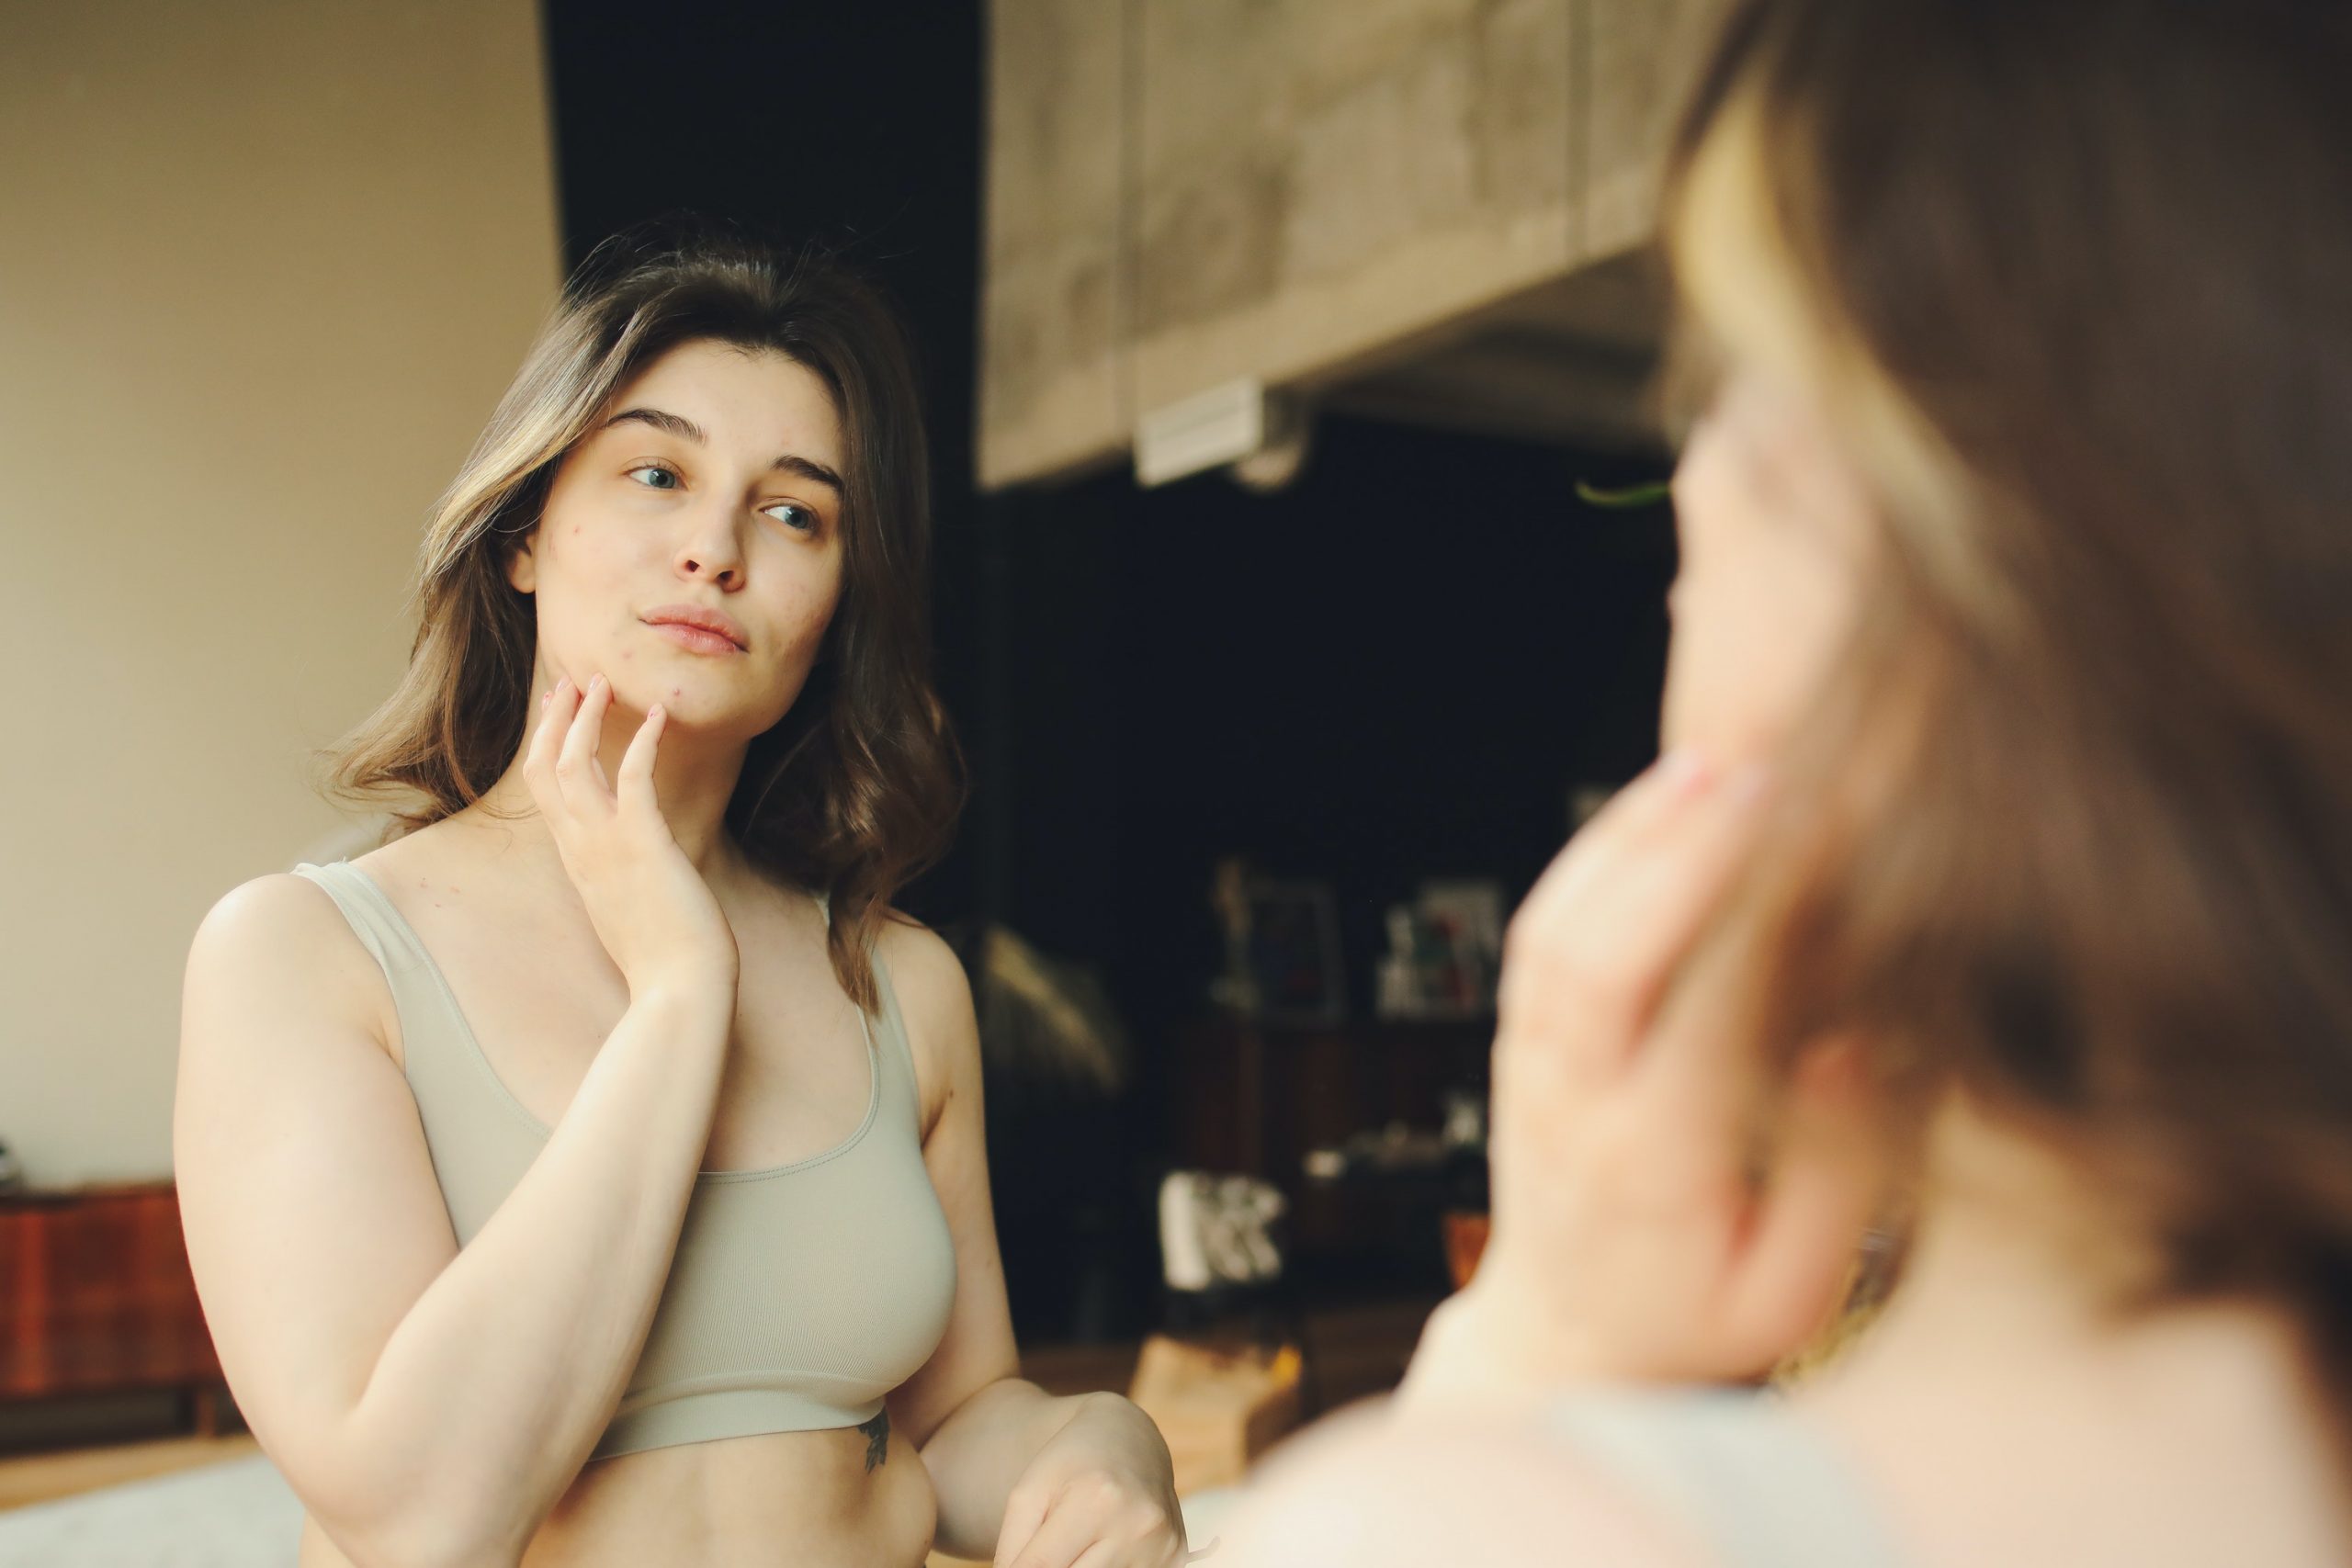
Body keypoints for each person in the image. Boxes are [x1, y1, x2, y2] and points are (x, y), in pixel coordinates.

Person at [1217, 1, 2352, 1562]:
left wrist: (1527, 1357)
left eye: (1734, 386)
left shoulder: (1467, 1531)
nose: (1687, 492)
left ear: (1947, 602)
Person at [175, 231, 1185, 1568]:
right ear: (527, 535)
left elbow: (954, 1426)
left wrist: (1104, 1442)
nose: (715, 549)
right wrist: (677, 993)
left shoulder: (899, 984)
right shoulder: (306, 957)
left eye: (795, 512)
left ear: (835, 603)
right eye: (658, 474)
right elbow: (423, 1518)